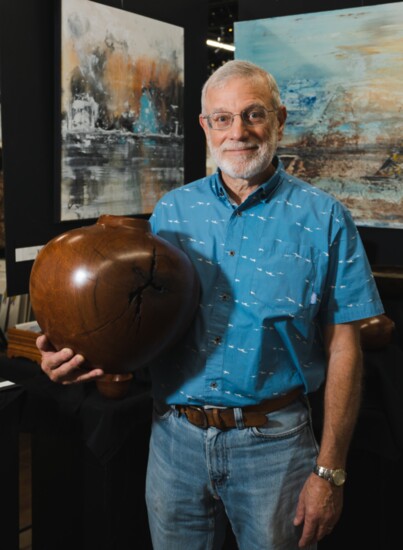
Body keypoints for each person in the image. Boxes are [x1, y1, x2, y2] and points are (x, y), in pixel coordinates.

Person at [37, 60, 384, 550]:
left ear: (280, 120)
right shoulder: (172, 212)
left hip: (276, 448)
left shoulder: (326, 218)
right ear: (205, 126)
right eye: (221, 118)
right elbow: (139, 322)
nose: (237, 131)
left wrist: (330, 471)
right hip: (174, 441)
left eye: (253, 114)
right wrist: (80, 353)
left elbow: (345, 347)